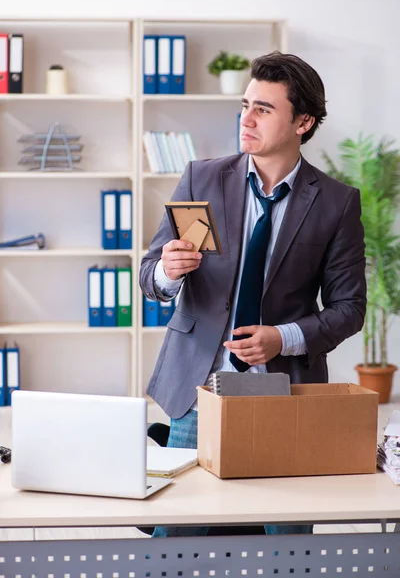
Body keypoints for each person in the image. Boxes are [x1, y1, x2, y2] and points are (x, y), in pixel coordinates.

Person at [139, 51, 366, 537]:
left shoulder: (336, 202)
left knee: (287, 549)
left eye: (264, 109)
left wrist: (282, 338)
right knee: (173, 545)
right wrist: (168, 271)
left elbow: (350, 309)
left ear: (303, 121)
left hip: (283, 398)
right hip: (195, 394)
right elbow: (149, 275)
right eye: (245, 105)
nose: (246, 118)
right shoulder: (202, 176)